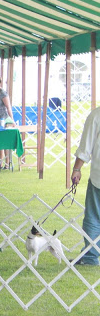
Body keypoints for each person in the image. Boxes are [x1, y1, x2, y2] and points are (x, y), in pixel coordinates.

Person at [71, 107, 100, 266]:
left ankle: (90, 256)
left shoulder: (96, 115)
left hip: (98, 177)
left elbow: (85, 147)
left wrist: (77, 169)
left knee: (94, 217)